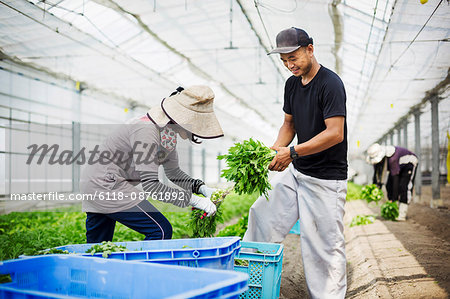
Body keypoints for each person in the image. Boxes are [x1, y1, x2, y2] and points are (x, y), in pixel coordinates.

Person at [243, 27, 348, 298]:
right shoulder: (291, 84)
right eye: (285, 61)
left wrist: (292, 153)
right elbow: (289, 123)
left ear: (310, 50)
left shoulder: (330, 83)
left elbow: (335, 133)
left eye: (294, 58)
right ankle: (254, 284)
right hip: (298, 171)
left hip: (325, 178)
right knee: (261, 214)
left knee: (322, 247)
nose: (290, 66)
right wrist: (276, 149)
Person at [80, 85, 223, 243]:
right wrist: (195, 200)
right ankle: (144, 268)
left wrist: (201, 188)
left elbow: (173, 173)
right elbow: (152, 186)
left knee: (97, 248)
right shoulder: (146, 130)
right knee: (160, 230)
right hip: (106, 185)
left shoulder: (166, 134)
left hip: (95, 183)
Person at [366, 143, 419, 221]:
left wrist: (393, 199)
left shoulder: (392, 158)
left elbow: (395, 180)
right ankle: (395, 208)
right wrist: (376, 188)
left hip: (409, 164)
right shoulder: (378, 162)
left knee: (403, 187)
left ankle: (402, 213)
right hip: (399, 166)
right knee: (388, 185)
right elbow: (377, 175)